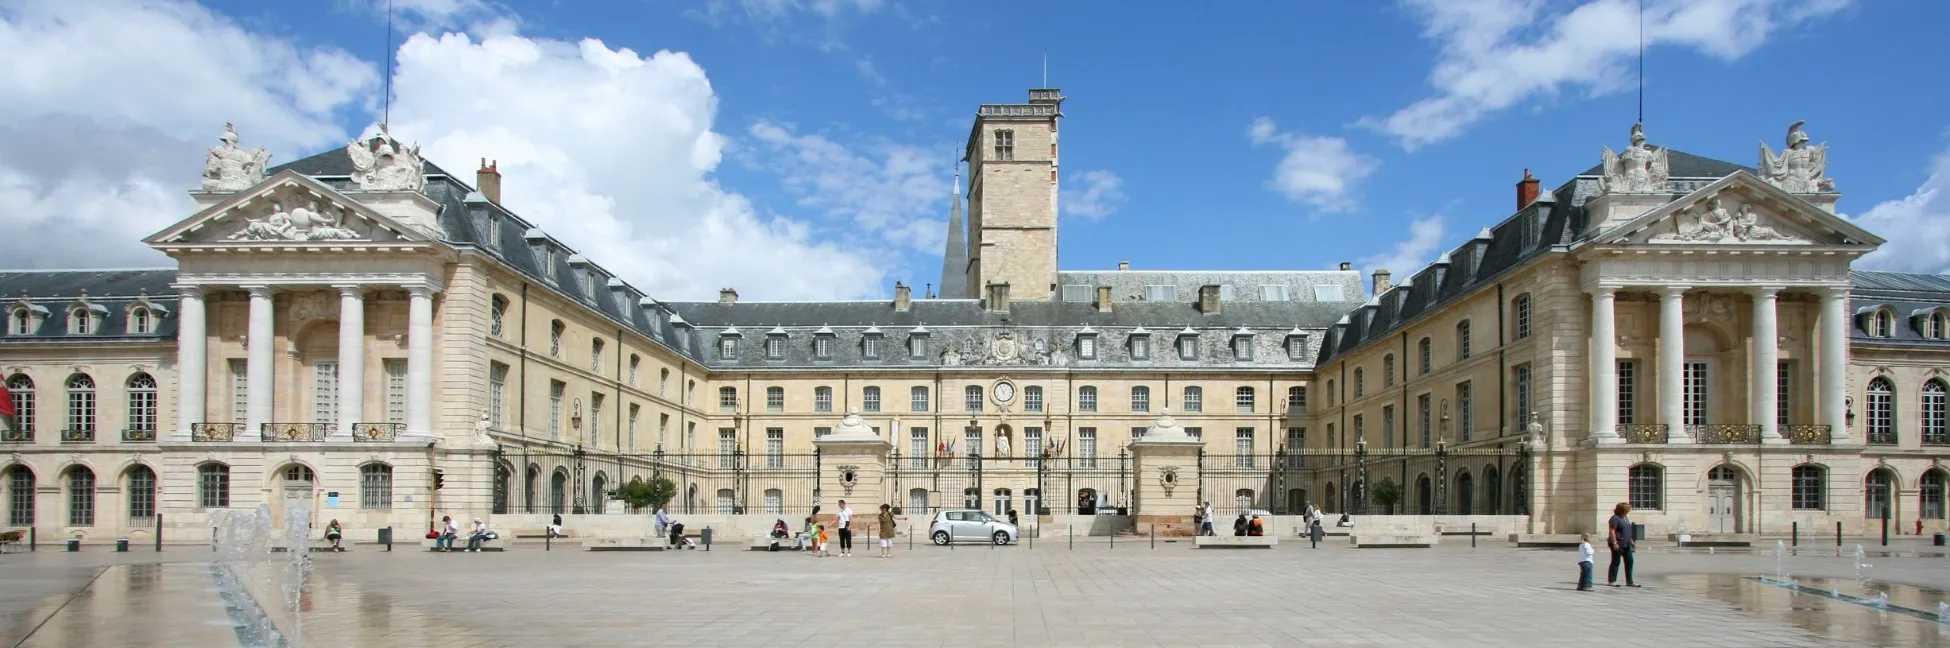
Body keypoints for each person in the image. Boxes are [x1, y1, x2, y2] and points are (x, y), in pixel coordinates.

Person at [1606, 502, 1638, 587]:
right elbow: (1612, 531)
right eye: (1628, 509)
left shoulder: (1625, 518)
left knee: (1629, 561)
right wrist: (1614, 542)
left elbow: (1627, 530)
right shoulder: (1615, 518)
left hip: (1626, 543)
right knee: (1616, 561)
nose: (1629, 510)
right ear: (1622, 510)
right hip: (1618, 543)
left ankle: (1629, 581)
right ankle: (1612, 581)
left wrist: (1631, 541)